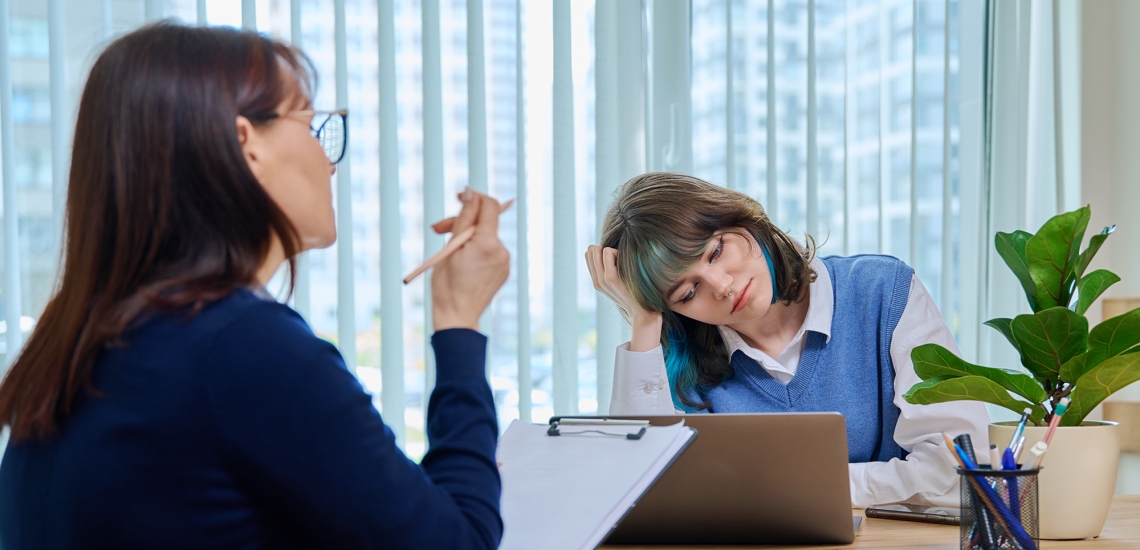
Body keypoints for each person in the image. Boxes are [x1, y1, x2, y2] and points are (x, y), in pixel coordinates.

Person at [0, 23, 508, 549]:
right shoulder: (242, 350)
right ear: (247, 144)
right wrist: (459, 323)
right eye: (313, 124)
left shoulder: (79, 342)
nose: (328, 161)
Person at [585, 172, 989, 507]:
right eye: (687, 293)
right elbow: (637, 496)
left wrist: (790, 490)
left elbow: (961, 473)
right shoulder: (678, 367)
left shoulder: (883, 291)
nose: (722, 286)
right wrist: (643, 320)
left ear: (739, 220)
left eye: (715, 252)